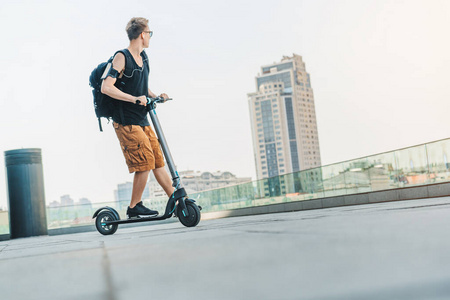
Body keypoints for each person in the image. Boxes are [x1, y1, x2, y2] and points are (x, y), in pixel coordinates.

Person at [101, 17, 174, 218]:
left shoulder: (144, 58)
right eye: (149, 33)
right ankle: (134, 206)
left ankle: (176, 201)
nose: (150, 37)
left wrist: (156, 96)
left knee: (158, 161)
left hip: (142, 119)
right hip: (126, 121)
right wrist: (134, 99)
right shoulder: (121, 57)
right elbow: (106, 87)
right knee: (145, 162)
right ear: (142, 34)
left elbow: (141, 87)